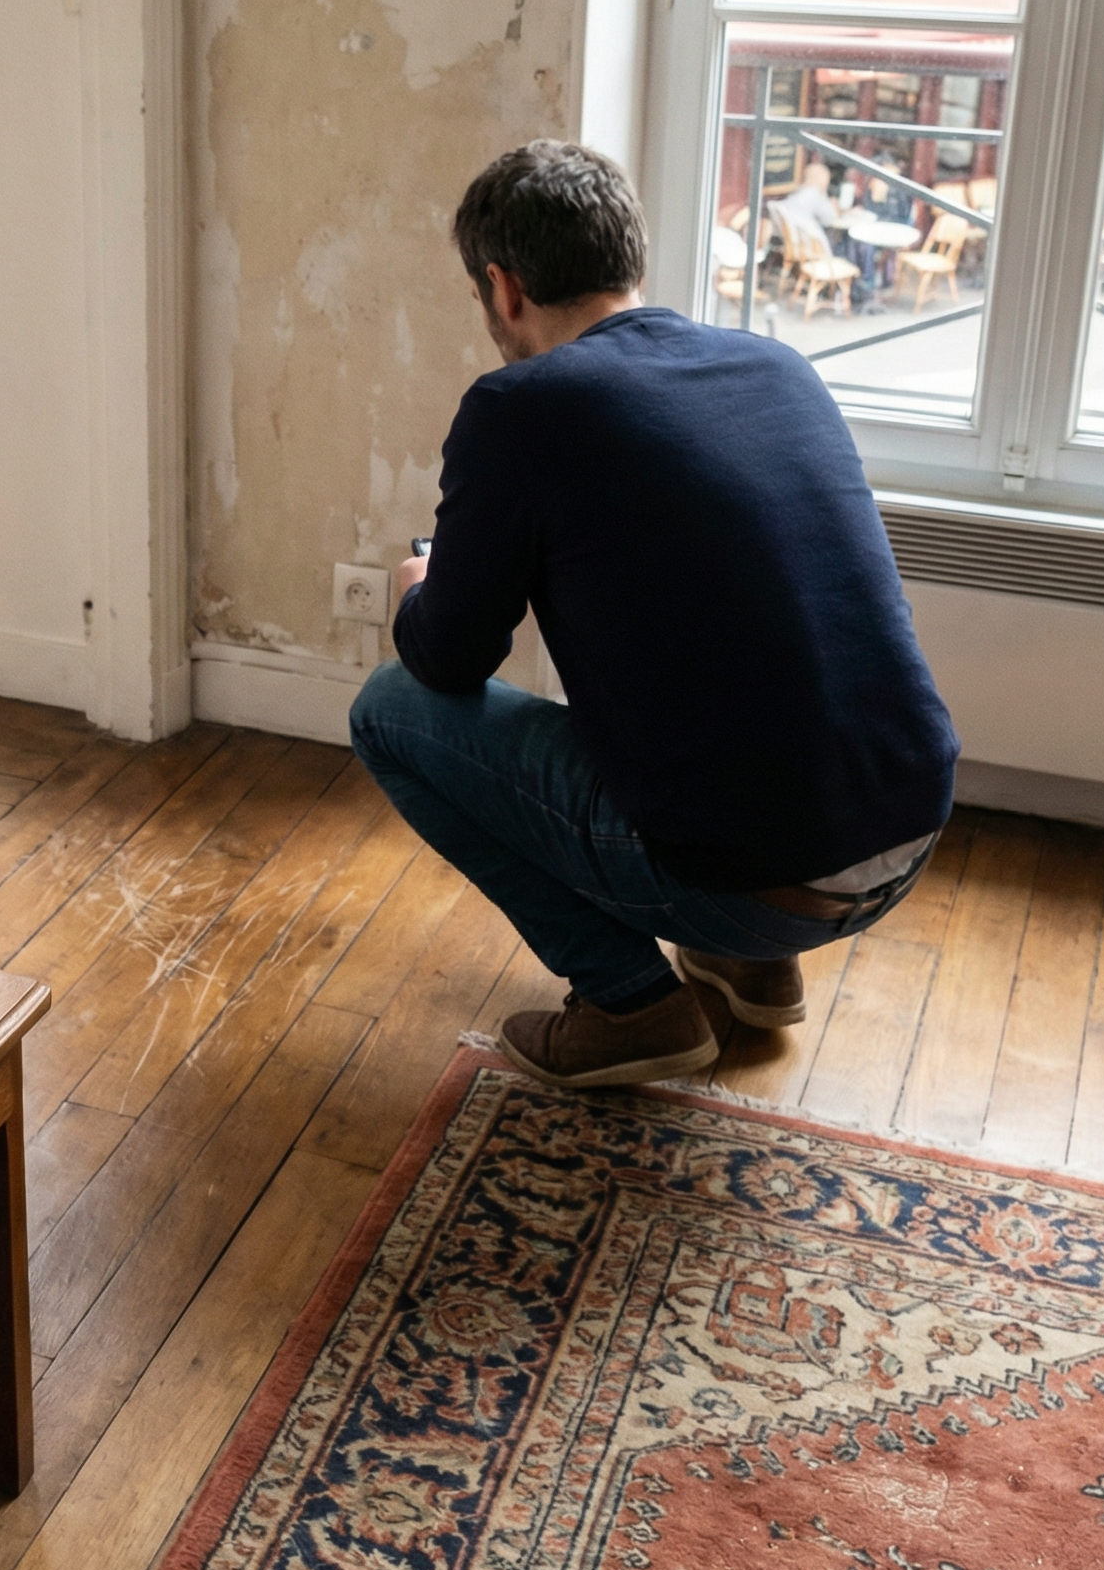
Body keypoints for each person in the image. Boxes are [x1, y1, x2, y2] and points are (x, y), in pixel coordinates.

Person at [350, 141, 958, 1089]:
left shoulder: (521, 407)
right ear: (628, 256)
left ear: (503, 287)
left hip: (762, 878)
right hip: (910, 831)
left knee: (388, 710)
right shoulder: (775, 365)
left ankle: (629, 1005)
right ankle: (749, 965)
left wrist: (416, 589)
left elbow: (448, 661)